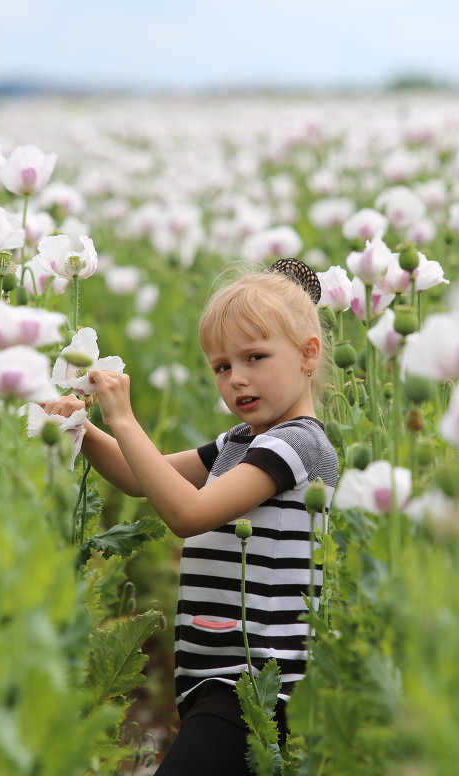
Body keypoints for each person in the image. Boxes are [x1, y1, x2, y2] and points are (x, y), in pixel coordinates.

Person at [42, 260, 339, 775]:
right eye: (222, 366)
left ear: (308, 354)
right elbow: (141, 478)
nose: (238, 379)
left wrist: (125, 417)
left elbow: (188, 513)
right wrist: (83, 429)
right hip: (211, 676)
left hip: (258, 684)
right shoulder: (240, 443)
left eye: (255, 357)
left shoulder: (298, 444)